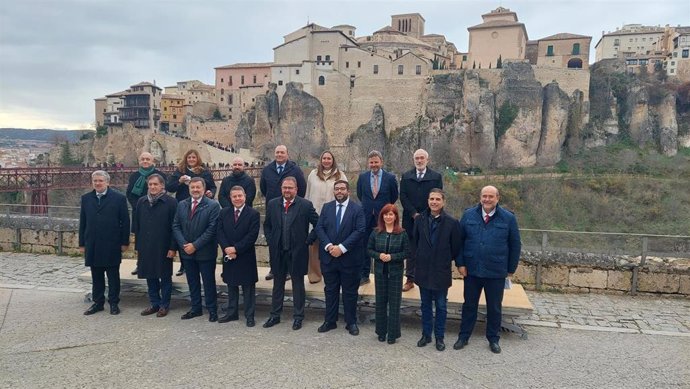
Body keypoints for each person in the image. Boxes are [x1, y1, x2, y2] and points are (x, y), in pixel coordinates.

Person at [454, 185, 521, 354]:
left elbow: (515, 245)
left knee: (494, 307)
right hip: (472, 270)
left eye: (491, 196)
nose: (487, 199)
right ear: (480, 197)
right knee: (469, 305)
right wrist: (460, 264)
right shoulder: (468, 215)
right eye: (484, 196)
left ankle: (493, 339)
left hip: (496, 270)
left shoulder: (508, 218)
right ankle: (463, 336)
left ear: (497, 198)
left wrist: (511, 269)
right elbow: (459, 242)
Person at [262, 176, 318, 331]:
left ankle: (298, 317)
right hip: (278, 251)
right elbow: (267, 225)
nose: (287, 190)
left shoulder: (305, 205)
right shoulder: (273, 204)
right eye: (284, 187)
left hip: (298, 251)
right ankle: (275, 315)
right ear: (281, 189)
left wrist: (308, 240)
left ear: (296, 189)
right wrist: (271, 240)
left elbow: (318, 224)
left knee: (298, 285)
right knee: (277, 284)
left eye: (290, 188)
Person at [411, 189, 461, 351]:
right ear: (428, 201)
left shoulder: (452, 223)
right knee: (425, 305)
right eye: (431, 199)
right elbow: (415, 244)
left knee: (441, 306)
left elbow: (455, 248)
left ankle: (440, 337)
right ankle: (426, 335)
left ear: (443, 202)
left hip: (441, 271)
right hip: (423, 270)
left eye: (437, 199)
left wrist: (443, 259)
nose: (434, 202)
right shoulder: (419, 220)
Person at [315, 180, 366, 336]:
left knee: (350, 292)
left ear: (348, 191)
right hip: (329, 257)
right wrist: (329, 246)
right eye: (336, 189)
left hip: (349, 259)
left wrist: (342, 248)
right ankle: (330, 321)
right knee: (330, 290)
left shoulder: (357, 209)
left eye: (342, 189)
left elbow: (360, 230)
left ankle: (351, 322)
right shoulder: (327, 207)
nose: (339, 191)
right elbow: (319, 228)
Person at [80, 170, 130, 316]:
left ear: (107, 182)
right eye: (95, 181)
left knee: (113, 275)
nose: (97, 183)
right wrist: (82, 243)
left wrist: (124, 241)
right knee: (96, 275)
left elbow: (125, 222)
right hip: (93, 243)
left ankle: (114, 303)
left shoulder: (119, 198)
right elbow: (83, 221)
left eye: (100, 180)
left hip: (111, 242)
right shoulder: (86, 198)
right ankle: (98, 302)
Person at [172, 177, 221, 322]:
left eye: (198, 187)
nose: (195, 190)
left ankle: (212, 309)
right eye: (192, 187)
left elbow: (212, 229)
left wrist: (195, 245)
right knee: (192, 281)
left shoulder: (213, 206)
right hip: (186, 251)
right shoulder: (182, 204)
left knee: (208, 282)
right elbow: (176, 225)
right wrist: (184, 244)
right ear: (189, 189)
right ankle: (195, 308)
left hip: (205, 251)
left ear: (204, 189)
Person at [132, 174, 177, 318]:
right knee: (150, 276)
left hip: (163, 245)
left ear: (162, 186)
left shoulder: (171, 202)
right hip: (146, 245)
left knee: (164, 276)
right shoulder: (141, 201)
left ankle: (164, 305)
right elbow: (137, 225)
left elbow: (175, 227)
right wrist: (138, 246)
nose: (152, 187)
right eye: (150, 184)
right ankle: (154, 303)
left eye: (155, 184)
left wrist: (172, 247)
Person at [167, 149, 217, 276]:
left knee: (199, 232)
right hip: (183, 206)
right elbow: (169, 187)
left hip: (202, 206)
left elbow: (212, 186)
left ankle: (197, 263)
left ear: (197, 158)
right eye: (189, 157)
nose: (191, 159)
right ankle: (184, 264)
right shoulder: (180, 171)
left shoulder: (204, 172)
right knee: (183, 233)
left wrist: (211, 193)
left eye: (194, 157)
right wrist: (179, 181)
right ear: (186, 158)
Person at [260, 145, 306, 281]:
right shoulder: (267, 170)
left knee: (289, 238)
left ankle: (289, 269)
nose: (279, 154)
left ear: (287, 154)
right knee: (274, 239)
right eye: (277, 152)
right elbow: (263, 188)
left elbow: (302, 189)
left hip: (291, 208)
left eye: (282, 152)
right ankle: (274, 269)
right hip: (273, 209)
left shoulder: (295, 170)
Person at [399, 148, 442, 292]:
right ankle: (410, 279)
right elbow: (403, 197)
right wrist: (413, 214)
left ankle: (428, 279)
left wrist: (425, 214)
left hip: (429, 218)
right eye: (417, 158)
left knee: (429, 248)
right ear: (413, 160)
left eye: (422, 158)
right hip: (410, 219)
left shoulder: (435, 176)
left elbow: (437, 197)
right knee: (411, 250)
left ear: (427, 160)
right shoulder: (406, 176)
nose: (419, 160)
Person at [217, 186, 261, 327]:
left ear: (245, 196)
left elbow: (252, 236)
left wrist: (236, 248)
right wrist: (227, 249)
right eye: (234, 196)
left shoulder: (253, 214)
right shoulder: (224, 213)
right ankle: (232, 313)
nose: (237, 199)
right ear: (230, 198)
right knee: (231, 285)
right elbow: (220, 232)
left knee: (248, 288)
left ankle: (249, 315)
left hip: (245, 255)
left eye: (239, 196)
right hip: (229, 255)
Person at [367, 204, 410, 344]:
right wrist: (379, 255)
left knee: (394, 304)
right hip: (380, 273)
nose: (388, 217)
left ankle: (393, 334)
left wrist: (392, 257)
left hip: (396, 273)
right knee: (380, 302)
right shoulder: (376, 232)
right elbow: (369, 249)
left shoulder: (402, 233)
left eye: (391, 214)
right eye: (386, 214)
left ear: (396, 217)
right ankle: (381, 331)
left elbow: (407, 252)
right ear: (382, 216)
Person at [356, 150, 398, 285]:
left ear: (381, 162)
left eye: (376, 162)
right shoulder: (362, 177)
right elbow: (360, 194)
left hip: (384, 217)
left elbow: (394, 196)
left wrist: (384, 210)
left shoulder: (390, 178)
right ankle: (364, 275)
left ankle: (384, 275)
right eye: (371, 162)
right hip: (366, 216)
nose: (373, 164)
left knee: (385, 245)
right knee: (365, 246)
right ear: (368, 163)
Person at [305, 150, 347, 284]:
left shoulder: (340, 175)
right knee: (314, 245)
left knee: (332, 243)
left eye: (329, 158)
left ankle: (331, 274)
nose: (326, 161)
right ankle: (314, 274)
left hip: (332, 215)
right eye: (324, 158)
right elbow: (307, 193)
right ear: (321, 160)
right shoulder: (313, 174)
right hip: (314, 214)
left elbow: (345, 195)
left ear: (333, 160)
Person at [126, 151, 166, 275]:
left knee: (158, 238)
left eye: (148, 159)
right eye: (143, 159)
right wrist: (138, 206)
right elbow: (129, 194)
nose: (145, 161)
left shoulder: (160, 175)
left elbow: (164, 192)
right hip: (139, 212)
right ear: (139, 161)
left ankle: (159, 264)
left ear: (152, 161)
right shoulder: (134, 176)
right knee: (140, 240)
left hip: (158, 212)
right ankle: (140, 264)